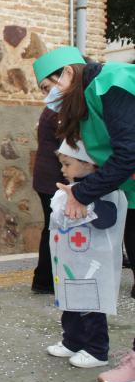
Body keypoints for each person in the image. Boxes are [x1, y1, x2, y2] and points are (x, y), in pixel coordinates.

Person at [32, 46, 135, 382]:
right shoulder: (87, 97)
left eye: (51, 85)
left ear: (68, 73)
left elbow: (128, 153)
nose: (51, 94)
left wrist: (82, 192)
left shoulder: (112, 82)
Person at [45, 140, 126, 369]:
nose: (63, 169)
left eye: (67, 164)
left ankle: (97, 349)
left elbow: (107, 219)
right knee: (70, 303)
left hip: (92, 264)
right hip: (71, 262)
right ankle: (72, 341)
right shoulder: (67, 189)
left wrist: (85, 203)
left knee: (91, 306)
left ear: (89, 164)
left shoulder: (106, 190)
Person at [31, 106, 64, 294]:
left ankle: (44, 280)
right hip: (54, 181)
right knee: (54, 229)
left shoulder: (51, 109)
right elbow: (67, 144)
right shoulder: (58, 110)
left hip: (47, 180)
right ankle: (45, 281)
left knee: (51, 229)